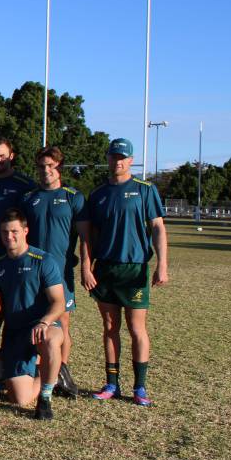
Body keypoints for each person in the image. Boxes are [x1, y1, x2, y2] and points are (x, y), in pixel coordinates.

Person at [82, 137, 168, 406]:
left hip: (134, 268)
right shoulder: (97, 195)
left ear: (131, 160)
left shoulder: (145, 189)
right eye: (113, 156)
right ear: (107, 158)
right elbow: (90, 235)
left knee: (136, 328)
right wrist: (87, 265)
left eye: (123, 157)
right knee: (110, 327)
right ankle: (112, 383)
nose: (117, 161)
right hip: (105, 268)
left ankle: (140, 387)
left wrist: (162, 264)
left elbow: (157, 227)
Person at [21, 146, 88, 397]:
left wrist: (87, 268)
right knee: (33, 316)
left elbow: (85, 237)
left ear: (59, 167)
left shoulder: (73, 197)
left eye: (51, 165)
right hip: (32, 271)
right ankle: (39, 368)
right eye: (41, 166)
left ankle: (61, 371)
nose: (46, 170)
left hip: (61, 270)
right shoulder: (29, 198)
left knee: (63, 322)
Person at [0, 209, 66, 420]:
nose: (9, 236)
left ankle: (46, 397)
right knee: (19, 399)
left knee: (50, 340)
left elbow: (58, 302)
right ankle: (51, 372)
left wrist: (44, 322)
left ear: (25, 231)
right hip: (15, 332)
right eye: (5, 232)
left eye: (14, 231)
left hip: (43, 324)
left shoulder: (43, 260)